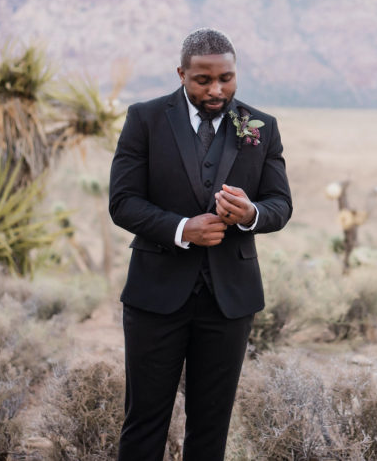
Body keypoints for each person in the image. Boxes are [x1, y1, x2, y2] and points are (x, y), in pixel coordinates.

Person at [109, 28, 292, 460]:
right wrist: (181, 228)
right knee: (144, 422)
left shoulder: (262, 126)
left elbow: (280, 205)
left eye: (226, 79)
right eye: (203, 80)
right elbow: (122, 202)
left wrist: (250, 214)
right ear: (181, 74)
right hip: (155, 296)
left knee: (211, 427)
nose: (216, 90)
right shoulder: (145, 119)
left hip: (230, 300)